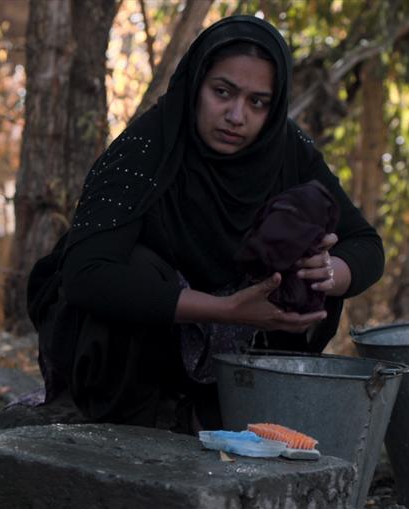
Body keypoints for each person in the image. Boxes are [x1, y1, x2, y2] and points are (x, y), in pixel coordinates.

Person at [26, 15, 384, 433]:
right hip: (143, 352)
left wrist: (328, 272)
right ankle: (147, 417)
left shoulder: (287, 150)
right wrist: (229, 311)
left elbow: (365, 245)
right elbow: (87, 275)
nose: (236, 116)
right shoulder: (148, 146)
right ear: (196, 85)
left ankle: (225, 409)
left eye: (257, 102)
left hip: (242, 334)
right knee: (137, 269)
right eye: (222, 92)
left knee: (307, 259)